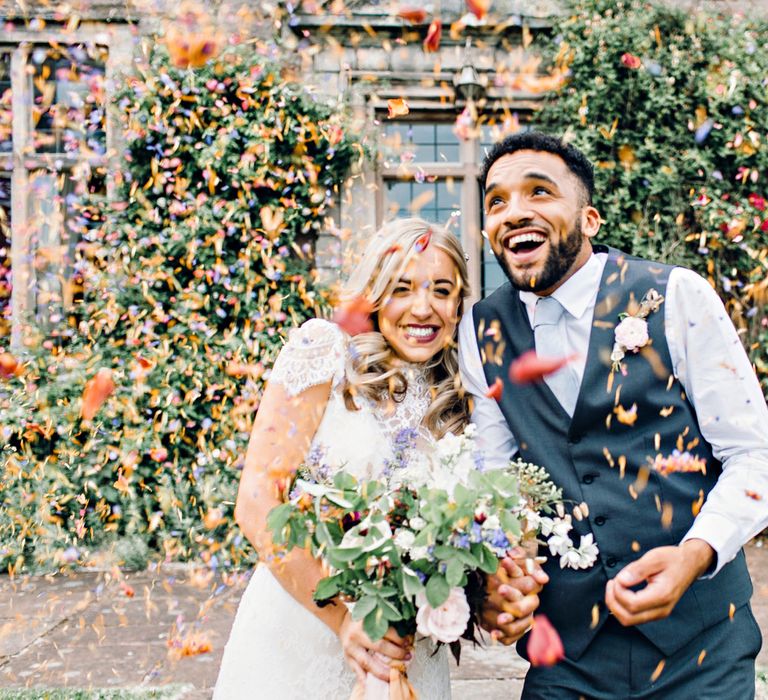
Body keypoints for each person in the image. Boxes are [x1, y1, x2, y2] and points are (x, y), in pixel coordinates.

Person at [458, 131, 768, 698]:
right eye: (497, 201)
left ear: (591, 219)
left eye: (539, 192)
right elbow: (494, 482)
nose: (514, 211)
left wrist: (696, 555)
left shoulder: (676, 296)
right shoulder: (481, 332)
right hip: (566, 656)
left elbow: (754, 454)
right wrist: (502, 575)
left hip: (701, 654)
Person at [214, 218, 470, 699]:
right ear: (374, 292)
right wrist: (345, 620)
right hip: (301, 628)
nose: (423, 308)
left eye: (441, 290)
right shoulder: (325, 350)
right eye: (402, 288)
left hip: (407, 650)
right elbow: (255, 501)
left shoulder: (459, 390)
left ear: (459, 303)